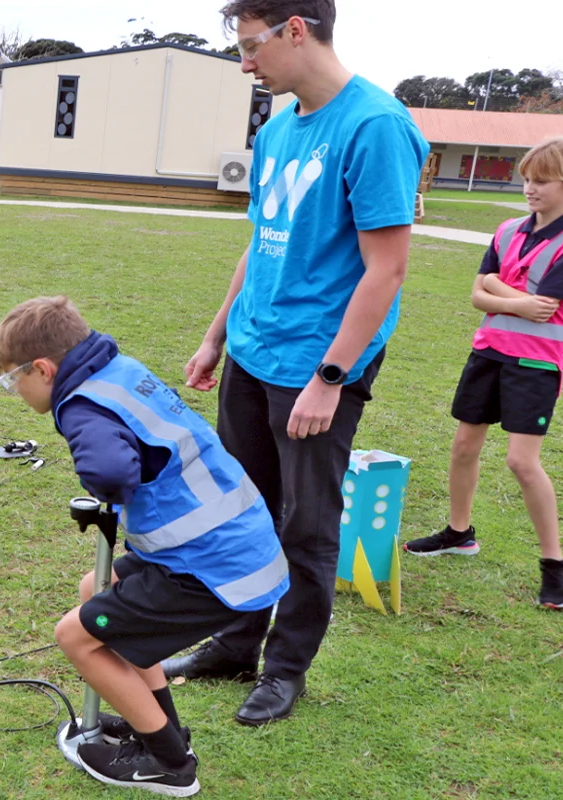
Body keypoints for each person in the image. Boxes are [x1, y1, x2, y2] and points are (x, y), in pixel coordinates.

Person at [160, 0, 429, 726]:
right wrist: (217, 335)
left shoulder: (376, 126)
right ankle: (234, 645)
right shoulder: (278, 129)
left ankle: (286, 670)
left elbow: (386, 271)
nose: (245, 63)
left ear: (297, 30)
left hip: (317, 367)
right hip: (253, 352)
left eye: (252, 45)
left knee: (305, 524)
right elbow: (260, 241)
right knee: (242, 510)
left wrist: (329, 379)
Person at [0, 296, 289, 796]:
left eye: (11, 380)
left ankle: (169, 766)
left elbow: (110, 471)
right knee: (95, 588)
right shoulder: (117, 371)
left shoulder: (83, 405)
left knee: (74, 637)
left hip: (214, 568)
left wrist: (103, 486)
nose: (13, 391)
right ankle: (159, 729)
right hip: (228, 546)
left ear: (42, 368)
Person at [404, 137, 563, 610]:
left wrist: (496, 287)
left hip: (536, 364)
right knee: (464, 447)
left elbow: (543, 308)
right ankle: (459, 533)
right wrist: (511, 297)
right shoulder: (507, 231)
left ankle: (555, 564)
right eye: (527, 179)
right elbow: (478, 296)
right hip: (488, 353)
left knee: (522, 462)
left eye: (542, 180)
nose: (530, 188)